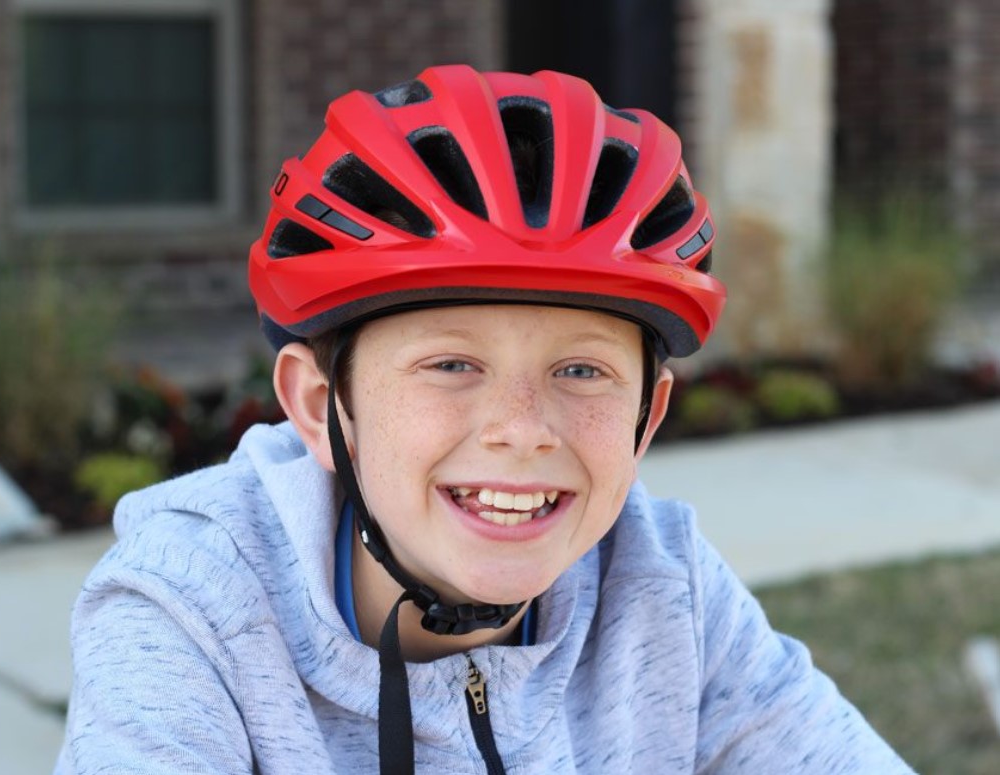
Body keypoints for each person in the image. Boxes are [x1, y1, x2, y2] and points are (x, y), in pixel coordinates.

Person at [55, 65, 914, 774]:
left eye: (581, 370)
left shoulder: (660, 587)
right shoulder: (193, 607)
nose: (522, 427)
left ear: (647, 416)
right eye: (451, 365)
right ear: (321, 406)